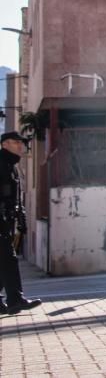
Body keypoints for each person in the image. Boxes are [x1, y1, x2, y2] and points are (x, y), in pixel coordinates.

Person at [1, 131, 41, 316]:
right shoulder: (2, 164)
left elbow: (15, 197)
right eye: (16, 143)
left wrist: (21, 217)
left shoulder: (12, 166)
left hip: (7, 221)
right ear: (5, 144)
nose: (20, 146)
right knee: (8, 259)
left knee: (4, 260)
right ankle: (15, 300)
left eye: (21, 143)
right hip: (0, 222)